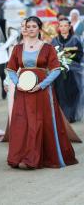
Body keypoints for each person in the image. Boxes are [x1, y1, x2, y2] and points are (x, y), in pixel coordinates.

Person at [6, 16, 78, 169]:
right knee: (22, 123)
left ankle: (33, 158)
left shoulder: (47, 48)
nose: (31, 29)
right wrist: (18, 84)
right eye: (28, 26)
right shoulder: (18, 48)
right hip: (23, 92)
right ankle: (18, 156)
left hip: (42, 91)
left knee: (37, 123)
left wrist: (42, 85)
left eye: (34, 26)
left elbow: (56, 70)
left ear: (39, 28)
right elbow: (11, 69)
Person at [51, 18, 84, 123]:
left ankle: (72, 115)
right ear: (58, 27)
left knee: (73, 93)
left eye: (65, 26)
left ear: (69, 27)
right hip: (59, 71)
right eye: (61, 26)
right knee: (60, 93)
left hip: (73, 71)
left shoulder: (75, 39)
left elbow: (80, 54)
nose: (63, 28)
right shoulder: (54, 40)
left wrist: (70, 57)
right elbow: (50, 55)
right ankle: (63, 115)